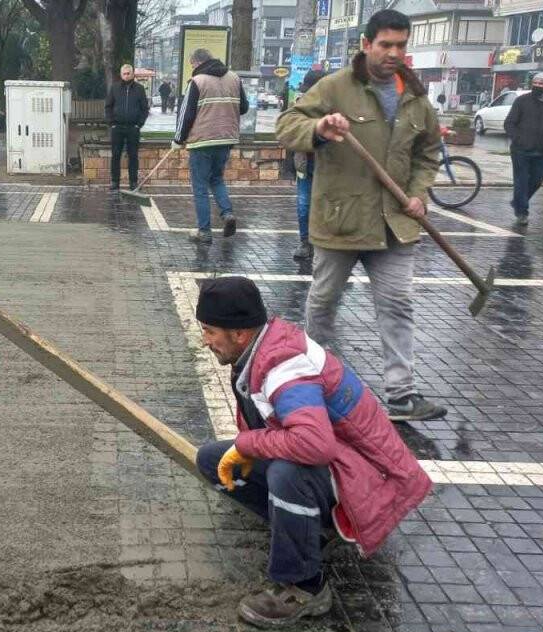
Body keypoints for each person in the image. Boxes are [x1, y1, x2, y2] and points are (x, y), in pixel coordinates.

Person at [192, 276, 431, 629]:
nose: (206, 340)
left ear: (239, 333)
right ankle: (313, 530)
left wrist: (247, 444)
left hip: (369, 477)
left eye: (211, 331)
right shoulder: (258, 350)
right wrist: (248, 445)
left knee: (287, 474)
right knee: (211, 460)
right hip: (342, 464)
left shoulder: (284, 366)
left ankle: (305, 586)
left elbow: (314, 445)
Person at [275, 9, 448, 422]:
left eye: (401, 46)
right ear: (366, 44)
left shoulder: (417, 99)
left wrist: (420, 193)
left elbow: (427, 155)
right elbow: (286, 125)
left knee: (398, 305)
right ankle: (314, 381)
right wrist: (318, 128)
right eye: (385, 44)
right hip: (342, 220)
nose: (393, 53)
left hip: (396, 223)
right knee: (323, 304)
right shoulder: (336, 87)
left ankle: (402, 394)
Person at [175, 48, 250, 244]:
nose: (192, 68)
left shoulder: (197, 82)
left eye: (192, 65)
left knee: (200, 186)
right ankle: (227, 213)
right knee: (216, 179)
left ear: (198, 63)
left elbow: (186, 115)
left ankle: (204, 231)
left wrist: (177, 139)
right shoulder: (234, 78)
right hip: (226, 139)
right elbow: (244, 107)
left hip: (202, 141)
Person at [504, 71, 543, 226]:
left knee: (538, 179)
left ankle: (518, 202)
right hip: (521, 150)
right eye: (535, 83)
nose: (537, 86)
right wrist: (518, 138)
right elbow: (509, 123)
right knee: (521, 181)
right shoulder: (522, 101)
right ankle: (522, 212)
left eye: (541, 84)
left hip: (542, 150)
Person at [291, 69, 322, 261]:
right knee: (304, 205)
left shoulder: (338, 107)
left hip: (330, 168)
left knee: (329, 207)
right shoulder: (300, 106)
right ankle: (305, 243)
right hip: (305, 164)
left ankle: (330, 248)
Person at [105, 64, 150, 191]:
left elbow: (144, 109)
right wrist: (111, 123)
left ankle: (133, 182)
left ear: (133, 74)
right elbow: (108, 106)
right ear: (121, 74)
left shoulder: (139, 89)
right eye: (124, 73)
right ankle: (114, 182)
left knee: (133, 156)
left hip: (133, 128)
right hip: (117, 127)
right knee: (115, 155)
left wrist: (139, 124)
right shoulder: (114, 88)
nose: (126, 76)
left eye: (128, 73)